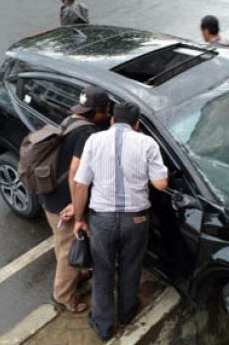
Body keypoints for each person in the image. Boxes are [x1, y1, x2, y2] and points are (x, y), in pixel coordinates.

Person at [72, 102, 169, 341]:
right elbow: (161, 184)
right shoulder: (147, 143)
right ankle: (127, 313)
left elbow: (80, 183)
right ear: (137, 125)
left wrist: (78, 219)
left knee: (103, 272)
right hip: (135, 220)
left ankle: (103, 326)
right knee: (131, 267)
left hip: (102, 220)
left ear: (112, 120)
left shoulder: (94, 141)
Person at [42, 86, 110, 314]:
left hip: (49, 192)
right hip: (63, 201)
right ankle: (63, 295)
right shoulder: (86, 133)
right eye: (106, 111)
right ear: (100, 111)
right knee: (68, 247)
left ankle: (76, 274)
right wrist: (76, 207)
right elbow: (76, 172)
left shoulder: (72, 119)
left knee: (62, 243)